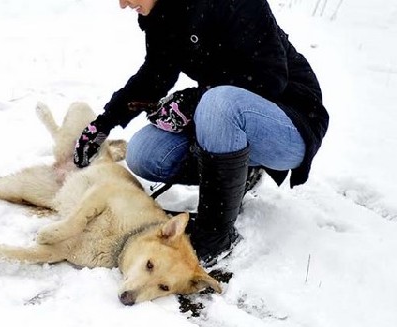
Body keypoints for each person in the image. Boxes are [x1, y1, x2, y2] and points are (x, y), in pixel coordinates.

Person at [73, 0, 329, 266]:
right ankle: (241, 172)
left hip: (290, 124)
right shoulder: (164, 15)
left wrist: (197, 99)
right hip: (225, 116)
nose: (123, 4)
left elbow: (270, 77)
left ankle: (216, 237)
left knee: (217, 102)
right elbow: (154, 76)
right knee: (144, 153)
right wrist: (103, 123)